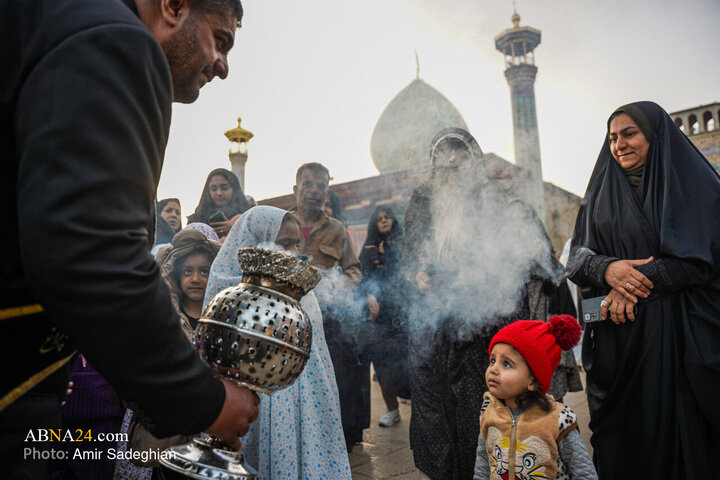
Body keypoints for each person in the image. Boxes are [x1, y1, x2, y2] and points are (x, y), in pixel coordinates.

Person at [1, 0, 258, 476]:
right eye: (220, 40)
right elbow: (89, 253)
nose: (223, 67)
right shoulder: (116, 39)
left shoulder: (61, 23)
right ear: (174, 6)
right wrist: (205, 400)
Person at [567, 101, 720, 478]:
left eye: (630, 133)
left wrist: (632, 285)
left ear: (654, 136)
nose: (619, 144)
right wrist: (608, 269)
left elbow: (704, 258)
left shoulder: (694, 186)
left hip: (680, 340)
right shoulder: (600, 193)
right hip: (620, 346)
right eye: (612, 137)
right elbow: (576, 259)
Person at [403, 127, 534, 480]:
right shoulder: (422, 201)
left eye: (457, 160)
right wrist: (417, 275)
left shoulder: (490, 201)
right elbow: (409, 256)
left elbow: (510, 265)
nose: (449, 167)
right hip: (433, 326)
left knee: (477, 410)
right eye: (442, 162)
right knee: (435, 412)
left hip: (479, 325)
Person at [204, 206, 352, 479]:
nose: (294, 253)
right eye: (285, 243)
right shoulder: (231, 295)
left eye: (297, 244)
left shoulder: (300, 292)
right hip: (249, 408)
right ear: (253, 241)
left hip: (306, 407)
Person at [290, 162, 367, 450]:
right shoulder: (281, 223)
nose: (314, 191)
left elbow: (354, 271)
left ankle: (328, 443)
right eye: (307, 184)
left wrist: (337, 286)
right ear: (295, 189)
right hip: (286, 323)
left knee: (328, 383)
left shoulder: (336, 229)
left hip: (327, 323)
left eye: (321, 186)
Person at [473, 315, 597, 480]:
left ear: (532, 380)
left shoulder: (557, 420)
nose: (493, 369)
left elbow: (584, 473)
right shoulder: (488, 413)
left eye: (506, 364)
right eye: (492, 360)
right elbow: (482, 467)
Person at [357, 206, 410, 427]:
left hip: (404, 313)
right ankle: (392, 409)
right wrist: (368, 294)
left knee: (409, 363)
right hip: (380, 316)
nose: (384, 221)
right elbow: (360, 275)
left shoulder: (404, 244)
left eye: (387, 217)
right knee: (383, 366)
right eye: (379, 219)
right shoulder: (369, 246)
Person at [187, 168, 250, 240]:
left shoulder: (247, 218)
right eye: (213, 189)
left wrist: (234, 231)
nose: (219, 193)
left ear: (234, 189)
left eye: (224, 188)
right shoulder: (196, 220)